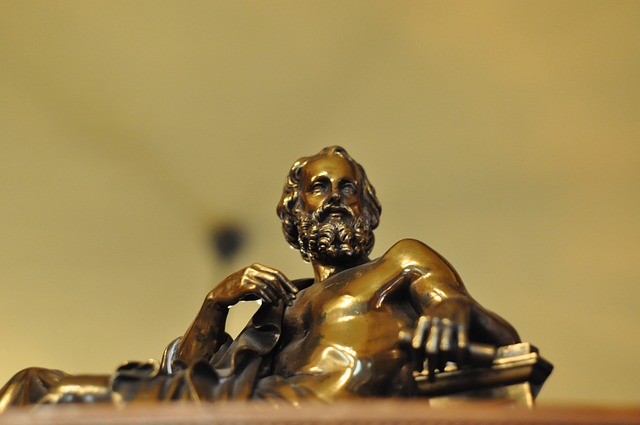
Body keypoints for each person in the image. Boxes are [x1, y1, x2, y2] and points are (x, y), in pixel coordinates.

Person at [0, 146, 519, 409]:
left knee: (51, 400)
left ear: (367, 206)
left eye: (348, 188)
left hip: (312, 412)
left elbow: (491, 328)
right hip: (245, 407)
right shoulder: (279, 303)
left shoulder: (399, 262)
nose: (335, 198)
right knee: (34, 388)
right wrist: (215, 303)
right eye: (319, 188)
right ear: (296, 211)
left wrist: (454, 309)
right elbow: (187, 373)